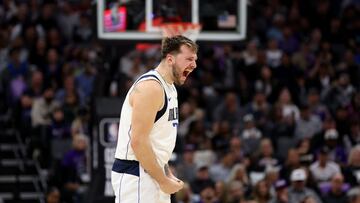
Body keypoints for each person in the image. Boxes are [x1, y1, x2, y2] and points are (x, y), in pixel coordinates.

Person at [111, 35, 198, 203]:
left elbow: (156, 139)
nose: (194, 65)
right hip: (137, 175)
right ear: (170, 59)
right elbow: (138, 142)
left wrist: (166, 172)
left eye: (195, 60)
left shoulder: (170, 87)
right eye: (189, 59)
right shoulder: (151, 88)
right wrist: (163, 180)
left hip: (151, 173)